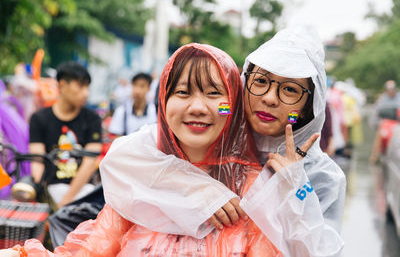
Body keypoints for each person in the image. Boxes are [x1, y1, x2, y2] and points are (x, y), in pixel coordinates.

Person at [5, 43, 296, 256]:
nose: (197, 107)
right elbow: (89, 251)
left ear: (232, 105)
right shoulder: (142, 181)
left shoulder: (255, 192)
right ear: (164, 103)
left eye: (214, 94)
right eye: (182, 92)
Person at [99, 26, 346, 257]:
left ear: (307, 106)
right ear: (243, 84)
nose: (270, 98)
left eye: (290, 89)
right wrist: (195, 185)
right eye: (260, 81)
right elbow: (121, 159)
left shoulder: (319, 175)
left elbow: (321, 250)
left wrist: (295, 194)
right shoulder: (199, 134)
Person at [28, 61, 102, 208]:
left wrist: (66, 202)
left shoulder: (92, 119)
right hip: (51, 188)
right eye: (81, 86)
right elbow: (37, 161)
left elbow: (90, 163)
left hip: (82, 190)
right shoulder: (39, 118)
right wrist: (40, 193)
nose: (86, 93)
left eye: (87, 87)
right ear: (62, 85)